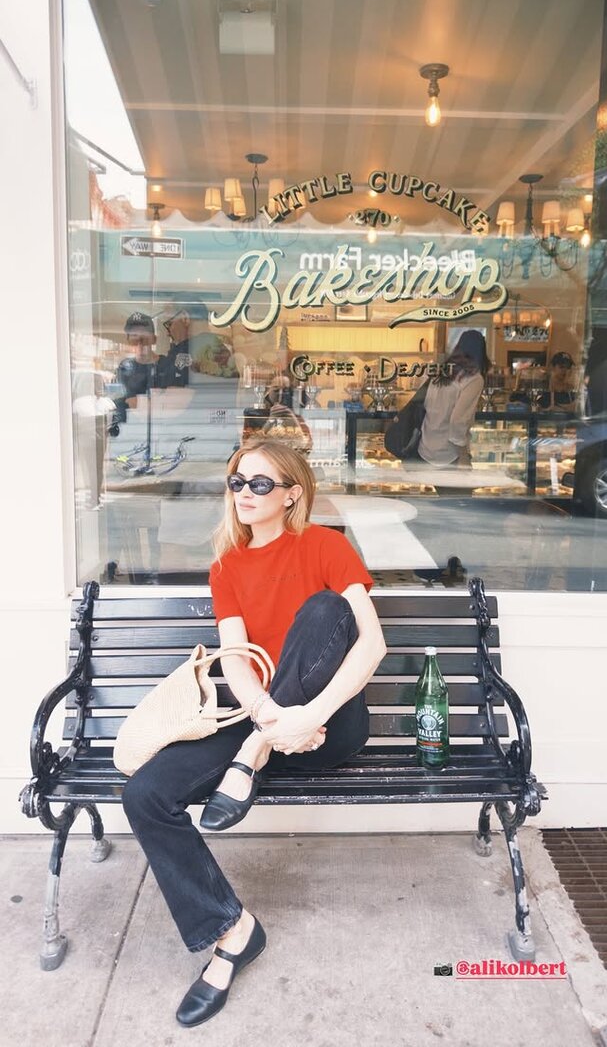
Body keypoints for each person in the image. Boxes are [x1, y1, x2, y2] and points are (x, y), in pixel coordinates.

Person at [121, 440, 386, 1028]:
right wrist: (271, 717)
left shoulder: (325, 545)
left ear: (292, 493)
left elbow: (372, 644)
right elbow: (238, 661)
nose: (244, 492)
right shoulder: (228, 565)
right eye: (237, 481)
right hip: (262, 717)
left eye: (261, 483)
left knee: (324, 611)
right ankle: (233, 931)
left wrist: (306, 717)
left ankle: (254, 752)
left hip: (330, 724)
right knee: (144, 795)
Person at [417, 328, 490, 467]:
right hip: (449, 454)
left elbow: (425, 405)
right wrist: (463, 456)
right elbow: (458, 420)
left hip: (425, 448)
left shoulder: (440, 372)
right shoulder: (474, 379)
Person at [114, 311, 166, 421]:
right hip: (132, 425)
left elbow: (172, 404)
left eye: (144, 337)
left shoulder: (167, 365)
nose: (140, 343)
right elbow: (131, 403)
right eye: (134, 337)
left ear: (154, 339)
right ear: (128, 340)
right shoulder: (125, 368)